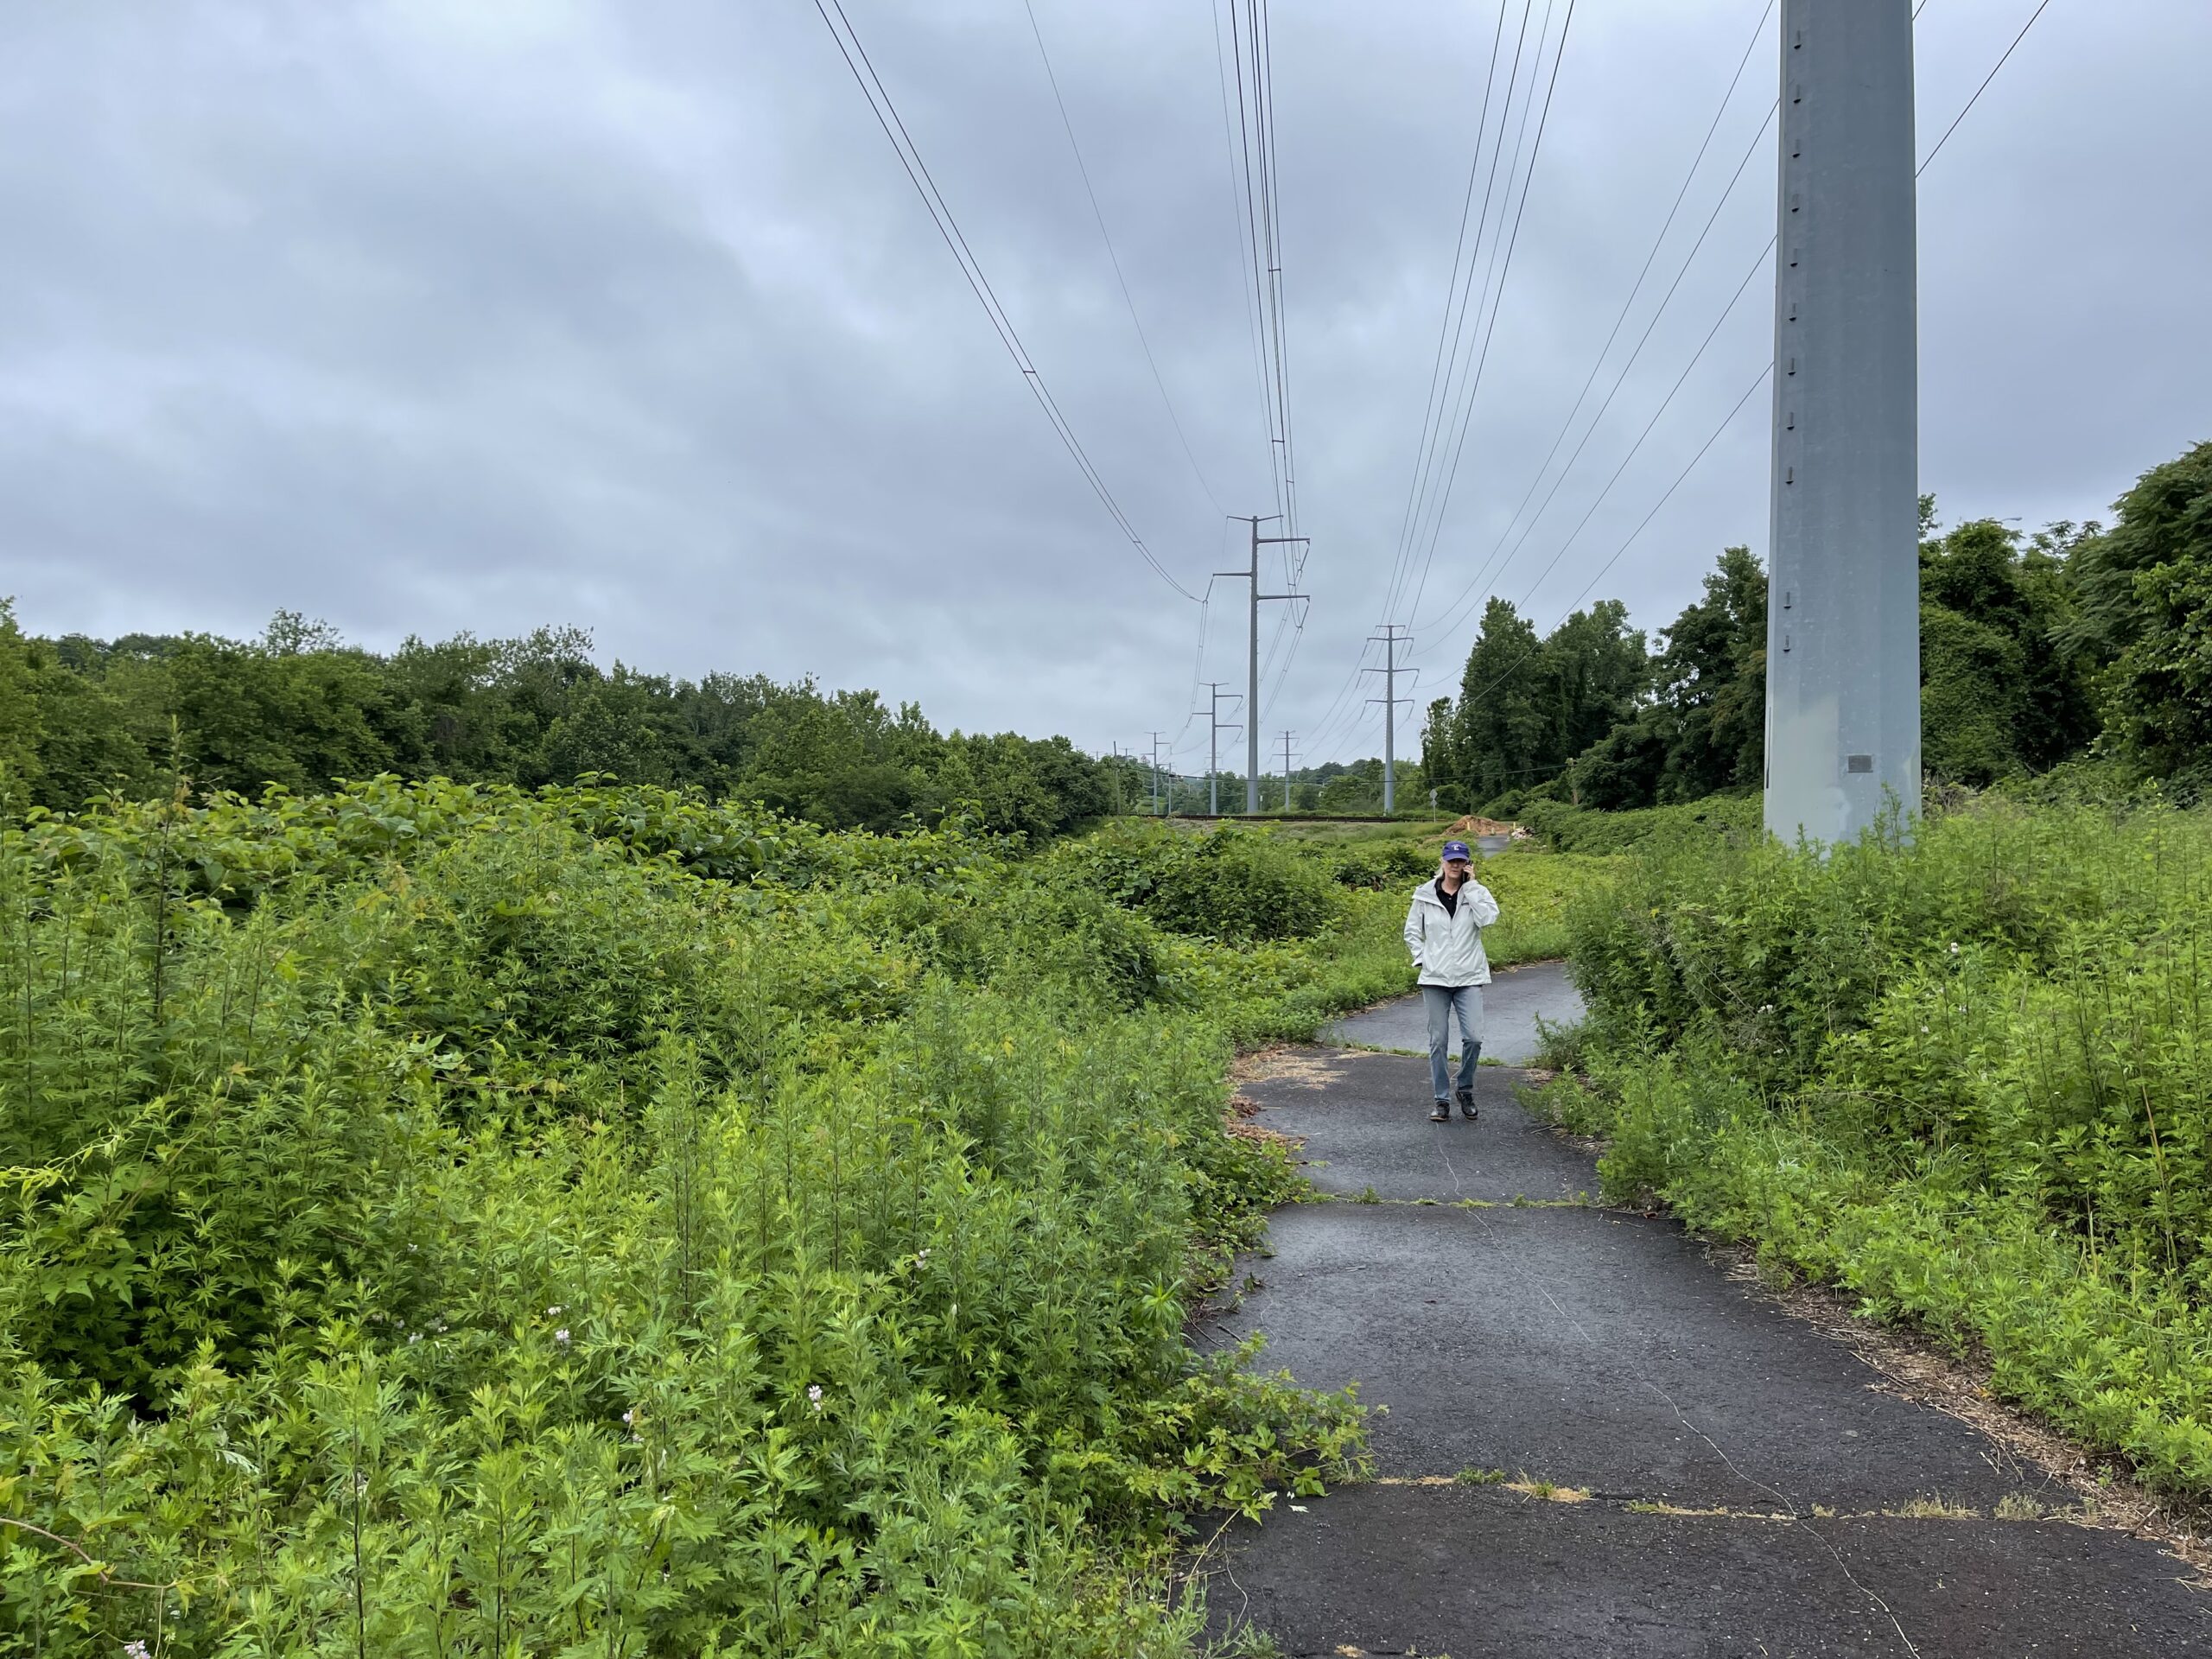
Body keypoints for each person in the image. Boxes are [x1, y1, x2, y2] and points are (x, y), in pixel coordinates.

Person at [1402, 838, 1499, 1123]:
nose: (1456, 865)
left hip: (1469, 976)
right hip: (1435, 978)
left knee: (1474, 1038)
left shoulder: (1476, 892)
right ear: (1443, 862)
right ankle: (1441, 1099)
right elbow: (1411, 931)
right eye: (1451, 860)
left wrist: (1471, 887)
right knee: (1438, 1041)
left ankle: (1465, 1089)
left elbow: (1488, 920)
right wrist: (1423, 958)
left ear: (1468, 863)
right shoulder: (1424, 895)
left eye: (1461, 861)